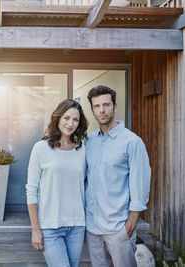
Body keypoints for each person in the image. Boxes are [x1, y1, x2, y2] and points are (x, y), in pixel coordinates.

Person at [84, 85, 151, 267]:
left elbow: (140, 185)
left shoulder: (132, 142)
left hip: (118, 228)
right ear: (92, 109)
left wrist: (130, 225)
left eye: (106, 104)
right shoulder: (89, 141)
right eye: (97, 106)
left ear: (115, 106)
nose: (102, 110)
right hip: (92, 228)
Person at [26, 99, 88, 267]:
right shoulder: (41, 148)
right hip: (50, 226)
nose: (70, 123)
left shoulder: (82, 149)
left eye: (75, 120)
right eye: (67, 118)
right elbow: (31, 191)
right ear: (58, 118)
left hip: (77, 225)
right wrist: (35, 229)